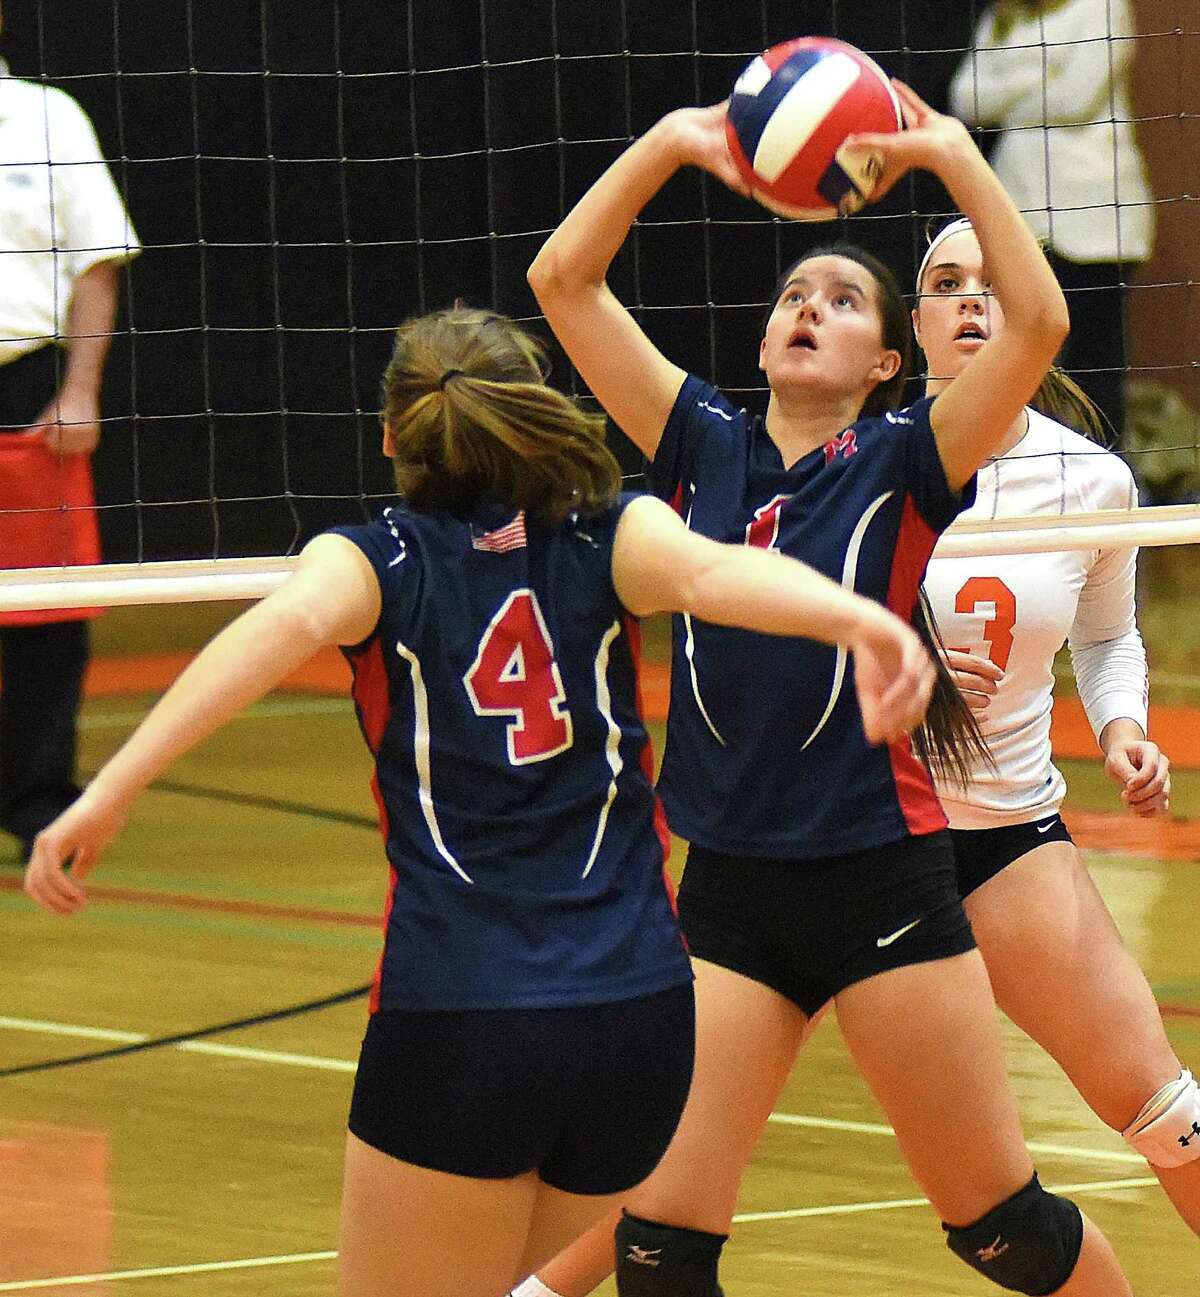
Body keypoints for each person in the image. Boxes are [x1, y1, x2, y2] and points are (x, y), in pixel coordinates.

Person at [23, 305, 938, 1297]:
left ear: (392, 437)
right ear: (532, 411)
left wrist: (107, 792)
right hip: (638, 1022)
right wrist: (864, 623)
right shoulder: (617, 533)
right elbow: (723, 571)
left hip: (463, 1017)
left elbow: (272, 631)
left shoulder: (373, 561)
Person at [523, 82, 1136, 1295]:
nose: (811, 309)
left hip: (882, 884)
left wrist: (956, 153)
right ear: (761, 344)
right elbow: (562, 284)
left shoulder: (908, 462)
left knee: (1000, 1228)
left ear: (885, 362)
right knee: (656, 1249)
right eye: (793, 297)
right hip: (731, 893)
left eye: (844, 299)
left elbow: (1040, 325)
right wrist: (668, 144)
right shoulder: (700, 443)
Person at [914, 216, 1199, 1237]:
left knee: (1171, 1115)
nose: (972, 301)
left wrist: (1123, 728)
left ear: (1034, 309)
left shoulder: (1091, 479)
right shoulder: (855, 467)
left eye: (994, 282)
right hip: (856, 847)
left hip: (1006, 840)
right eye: (946, 283)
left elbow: (1109, 636)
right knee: (674, 1121)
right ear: (918, 325)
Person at [0, 0, 141, 863]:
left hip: (28, 385)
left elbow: (97, 261)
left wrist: (82, 387)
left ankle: (39, 798)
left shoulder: (48, 115)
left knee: (47, 612)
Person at [947, 0, 1154, 446]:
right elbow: (966, 99)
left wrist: (1010, 81)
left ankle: (1111, 485)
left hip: (1095, 223)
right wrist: (1048, 70)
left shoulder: (1106, 2)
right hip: (1025, 219)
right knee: (1033, 369)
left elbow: (1075, 100)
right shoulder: (1003, 16)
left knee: (1097, 373)